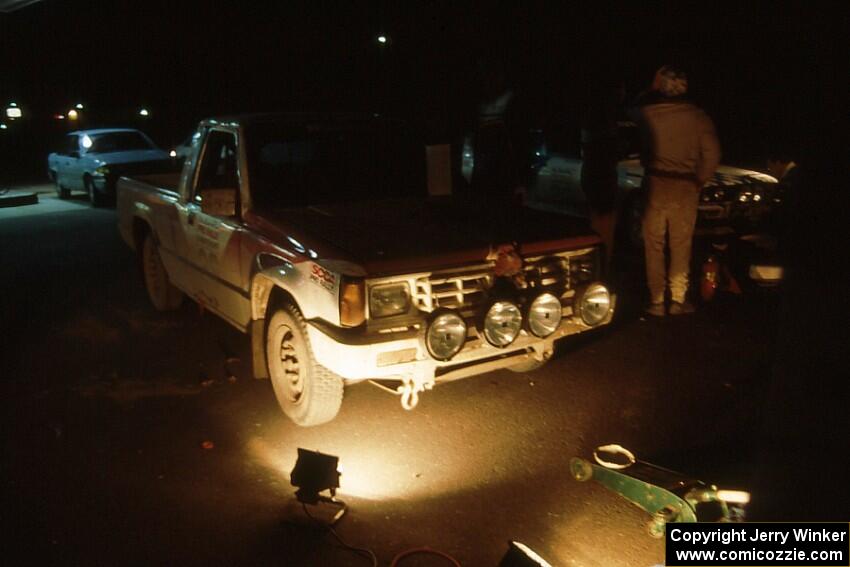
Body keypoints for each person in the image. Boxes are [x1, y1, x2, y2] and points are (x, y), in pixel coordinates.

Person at [633, 65, 721, 316]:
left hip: (655, 184)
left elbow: (629, 108)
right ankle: (679, 300)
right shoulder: (699, 117)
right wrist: (700, 179)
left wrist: (650, 87)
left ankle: (657, 300)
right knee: (681, 244)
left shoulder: (648, 113)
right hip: (685, 185)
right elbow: (713, 153)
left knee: (654, 244)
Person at [581, 79, 625, 270]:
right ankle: (602, 268)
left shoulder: (591, 116)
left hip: (594, 174)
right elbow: (606, 150)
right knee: (604, 227)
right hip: (602, 176)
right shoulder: (604, 120)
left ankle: (599, 266)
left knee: (597, 223)